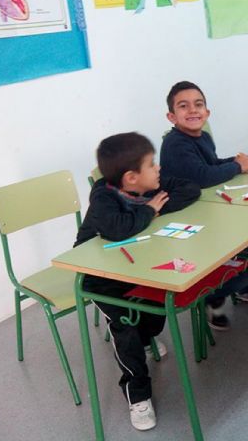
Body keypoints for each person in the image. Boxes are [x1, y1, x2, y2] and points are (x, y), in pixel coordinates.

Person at [75, 132, 201, 431]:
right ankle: (138, 393)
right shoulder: (103, 197)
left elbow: (190, 189)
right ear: (131, 178)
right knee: (126, 329)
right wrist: (149, 210)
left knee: (155, 316)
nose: (158, 169)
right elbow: (118, 228)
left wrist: (154, 208)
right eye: (152, 164)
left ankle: (146, 340)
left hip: (140, 266)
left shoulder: (150, 185)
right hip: (101, 278)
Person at [160, 81, 248, 330]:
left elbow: (209, 165)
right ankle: (211, 296)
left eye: (198, 104)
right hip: (187, 220)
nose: (193, 110)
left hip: (208, 208)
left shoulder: (203, 137)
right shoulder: (175, 144)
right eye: (183, 106)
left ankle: (243, 288)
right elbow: (202, 177)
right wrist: (236, 167)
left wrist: (237, 161)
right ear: (172, 117)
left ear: (207, 112)